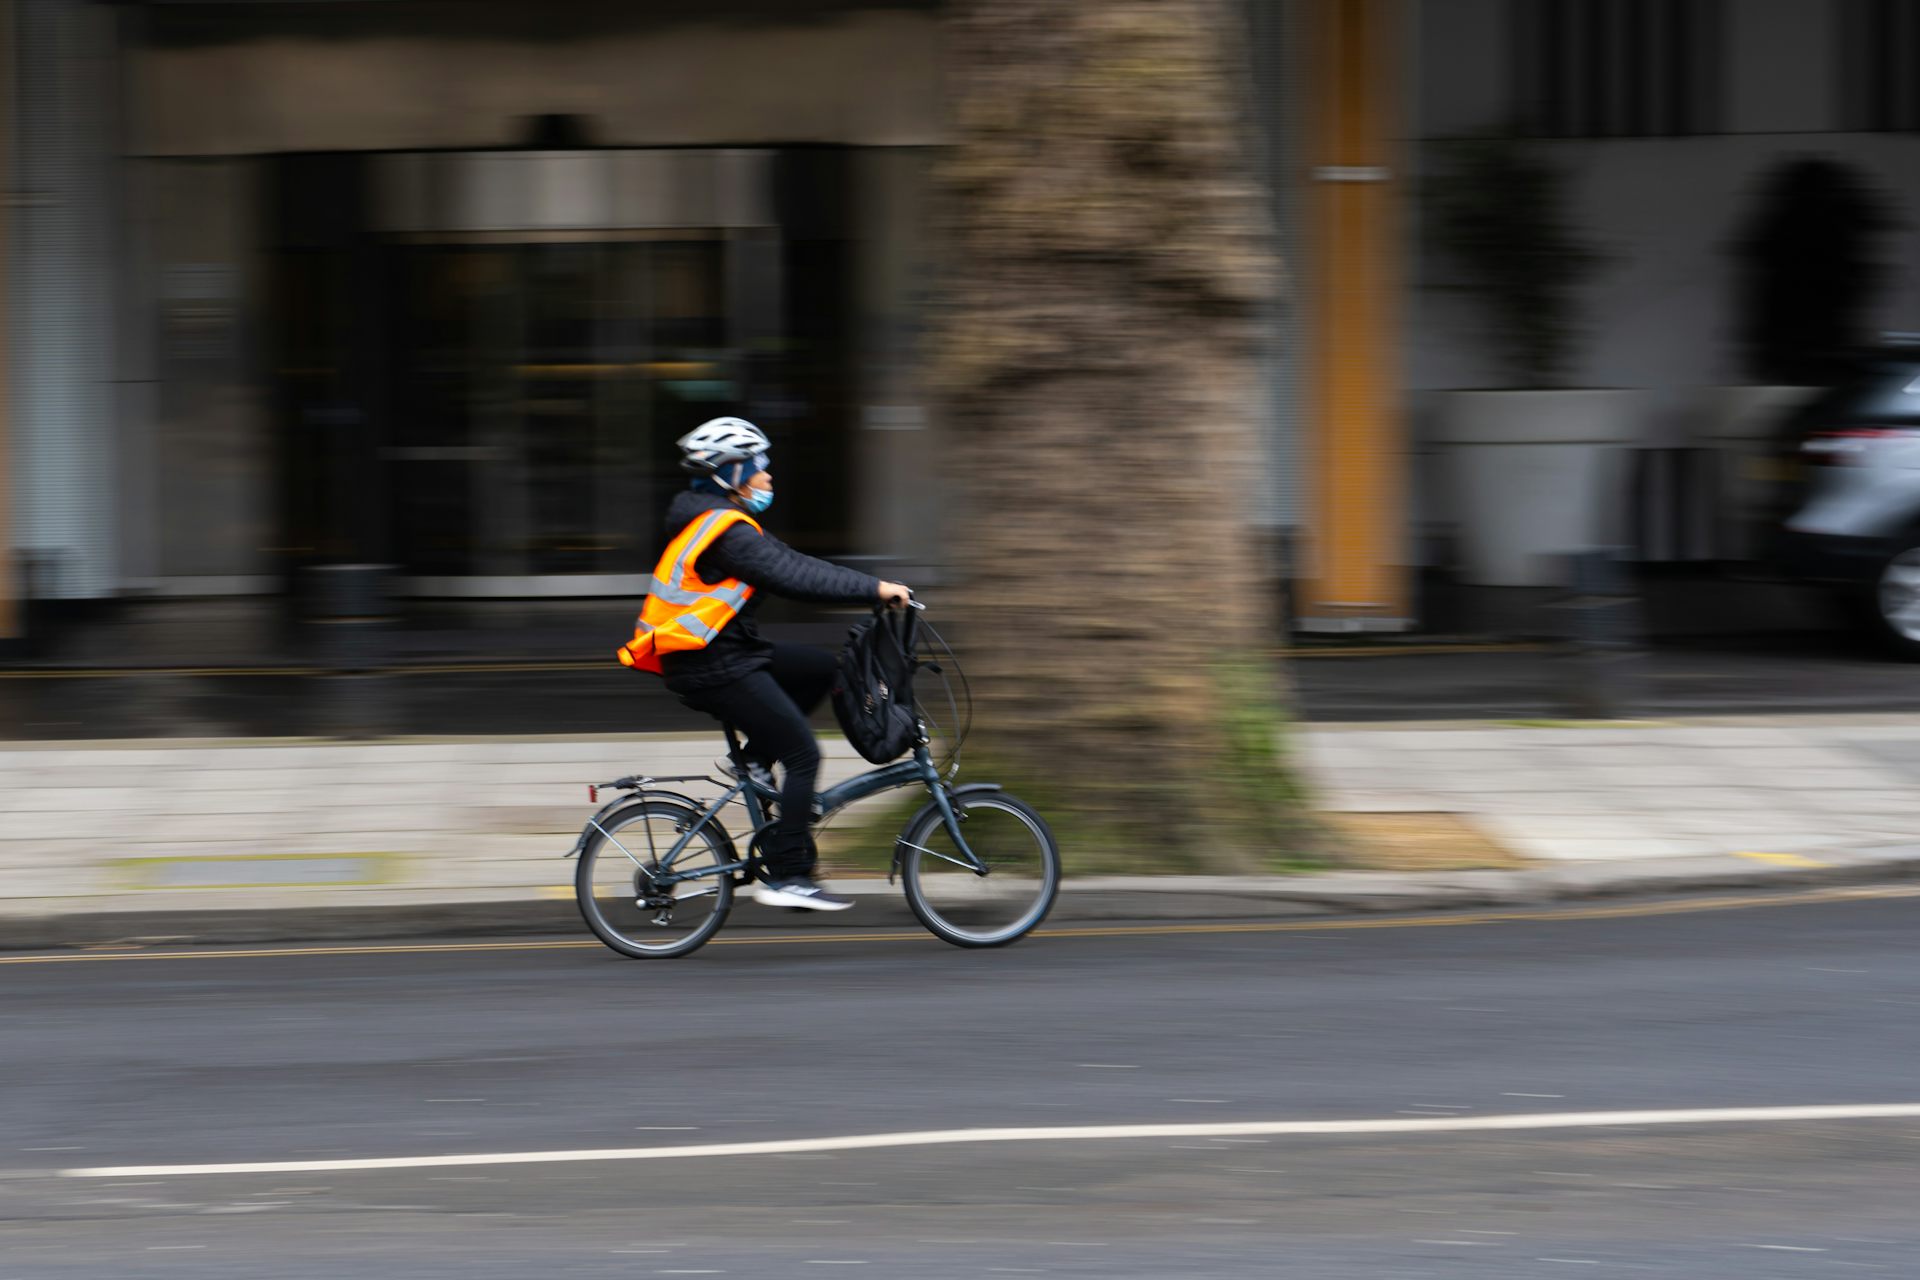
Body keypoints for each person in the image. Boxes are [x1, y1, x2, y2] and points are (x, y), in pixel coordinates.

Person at [617, 417, 912, 911]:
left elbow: (795, 562)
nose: (769, 476)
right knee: (804, 755)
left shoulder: (719, 520)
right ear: (730, 474)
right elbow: (793, 574)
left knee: (820, 668)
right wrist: (876, 589)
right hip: (712, 666)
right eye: (759, 467)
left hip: (725, 655)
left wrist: (870, 587)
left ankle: (755, 758)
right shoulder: (723, 530)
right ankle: (789, 876)